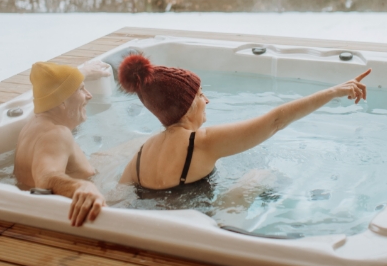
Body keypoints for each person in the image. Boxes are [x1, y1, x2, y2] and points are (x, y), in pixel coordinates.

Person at [117, 53, 369, 191]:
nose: (207, 99)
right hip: (200, 237)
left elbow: (118, 196)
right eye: (201, 94)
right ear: (187, 105)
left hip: (160, 233)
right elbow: (276, 121)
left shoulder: (141, 154)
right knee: (258, 175)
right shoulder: (201, 142)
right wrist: (333, 92)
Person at [14, 58, 113, 226]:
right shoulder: (56, 134)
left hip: (29, 208)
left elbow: (54, 90)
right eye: (82, 89)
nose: (89, 95)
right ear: (62, 102)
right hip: (74, 216)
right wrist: (81, 187)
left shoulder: (34, 124)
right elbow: (46, 178)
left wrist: (84, 72)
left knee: (126, 149)